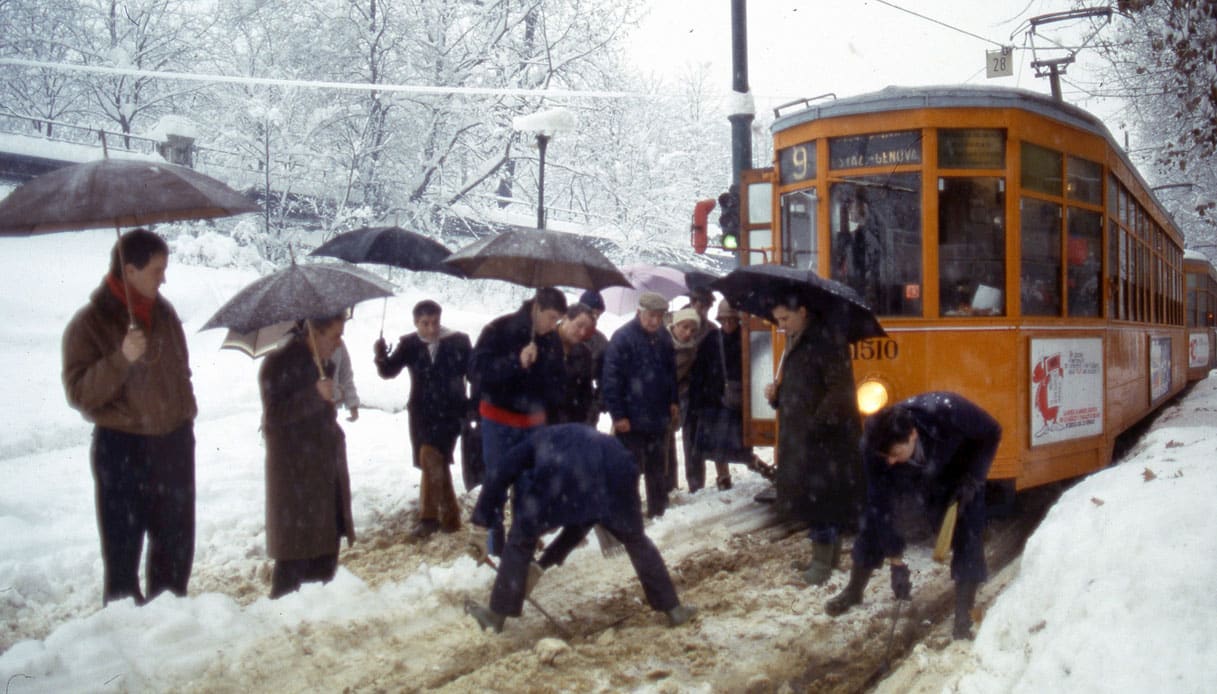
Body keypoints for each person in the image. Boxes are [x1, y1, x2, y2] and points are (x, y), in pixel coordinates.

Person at [63, 228, 198, 605]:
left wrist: (184, 416)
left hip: (173, 443)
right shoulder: (89, 323)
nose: (163, 278)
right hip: (123, 448)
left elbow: (181, 370)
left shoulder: (164, 312)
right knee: (123, 555)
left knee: (176, 547)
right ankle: (125, 632)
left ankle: (169, 621)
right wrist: (121, 359)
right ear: (130, 270)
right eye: (157, 270)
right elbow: (79, 393)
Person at [464, 424, 697, 632]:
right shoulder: (598, 446)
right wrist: (542, 565)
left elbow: (499, 474)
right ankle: (673, 609)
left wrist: (479, 527)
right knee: (636, 540)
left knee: (521, 538)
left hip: (562, 472)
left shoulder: (533, 444)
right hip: (615, 471)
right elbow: (581, 522)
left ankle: (495, 616)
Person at [826, 392, 1000, 640]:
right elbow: (879, 503)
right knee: (873, 524)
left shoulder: (949, 413)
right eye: (885, 456)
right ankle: (854, 590)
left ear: (912, 435)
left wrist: (974, 476)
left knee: (968, 530)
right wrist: (896, 561)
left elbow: (992, 432)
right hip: (913, 476)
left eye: (895, 453)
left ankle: (963, 617)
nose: (890, 461)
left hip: (959, 472)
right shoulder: (874, 446)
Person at [764, 295, 863, 586]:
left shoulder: (826, 341)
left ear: (803, 311)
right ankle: (827, 559)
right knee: (817, 498)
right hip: (807, 435)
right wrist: (777, 395)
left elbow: (840, 391)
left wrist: (815, 424)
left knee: (822, 500)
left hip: (826, 438)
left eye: (785, 319)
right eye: (778, 320)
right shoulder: (796, 341)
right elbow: (802, 388)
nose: (781, 326)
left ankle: (821, 564)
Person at [259, 315, 356, 598]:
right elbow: (273, 418)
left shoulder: (323, 364)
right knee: (294, 564)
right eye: (335, 335)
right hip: (296, 481)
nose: (339, 343)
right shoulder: (277, 364)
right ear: (314, 333)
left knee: (324, 560)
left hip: (323, 474)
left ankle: (318, 616)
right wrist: (314, 395)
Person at [470, 287, 567, 553]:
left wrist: (541, 372)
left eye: (558, 320)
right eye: (551, 317)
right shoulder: (498, 329)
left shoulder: (552, 340)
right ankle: (493, 547)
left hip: (534, 425)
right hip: (499, 421)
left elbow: (559, 383)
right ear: (536, 307)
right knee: (496, 482)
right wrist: (516, 362)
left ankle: (520, 550)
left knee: (529, 488)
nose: (554, 325)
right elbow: (477, 371)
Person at [374, 300, 472, 537]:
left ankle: (429, 518)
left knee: (431, 455)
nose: (431, 328)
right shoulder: (409, 344)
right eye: (425, 323)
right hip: (421, 414)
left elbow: (474, 372)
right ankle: (450, 518)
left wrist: (473, 404)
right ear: (416, 323)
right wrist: (380, 355)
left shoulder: (458, 341)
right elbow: (389, 371)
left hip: (451, 412)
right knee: (434, 461)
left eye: (435, 322)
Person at [602, 292, 680, 518]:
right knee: (630, 468)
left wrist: (673, 399)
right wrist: (618, 415)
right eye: (651, 316)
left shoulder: (664, 337)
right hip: (631, 418)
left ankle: (658, 510)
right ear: (639, 312)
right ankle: (628, 513)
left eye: (659, 316)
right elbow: (611, 380)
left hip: (657, 415)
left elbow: (670, 373)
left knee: (657, 467)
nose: (655, 321)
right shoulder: (622, 338)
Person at [691, 300, 752, 491]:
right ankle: (723, 477)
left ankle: (757, 466)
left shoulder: (747, 336)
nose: (727, 323)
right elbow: (699, 370)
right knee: (718, 444)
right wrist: (699, 398)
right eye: (724, 320)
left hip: (738, 398)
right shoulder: (712, 339)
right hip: (714, 399)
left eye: (731, 320)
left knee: (742, 442)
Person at [667, 306, 704, 492]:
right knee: (665, 443)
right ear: (675, 325)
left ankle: (695, 485)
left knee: (690, 439)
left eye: (692, 329)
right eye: (684, 327)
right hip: (659, 396)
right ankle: (669, 485)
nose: (688, 333)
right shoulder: (661, 341)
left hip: (682, 395)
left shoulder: (692, 348)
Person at [552, 303, 598, 425]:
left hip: (568, 424)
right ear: (565, 318)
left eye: (586, 329)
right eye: (579, 325)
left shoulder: (584, 354)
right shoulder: (541, 344)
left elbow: (585, 394)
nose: (582, 333)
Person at [577, 289, 610, 428]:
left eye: (598, 314)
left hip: (586, 410)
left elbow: (606, 377)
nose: (595, 318)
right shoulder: (561, 332)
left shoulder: (600, 341)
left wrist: (597, 405)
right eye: (592, 313)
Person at [330, 339, 360, 422]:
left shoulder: (338, 344)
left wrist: (352, 404)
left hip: (332, 407)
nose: (338, 341)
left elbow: (346, 374)